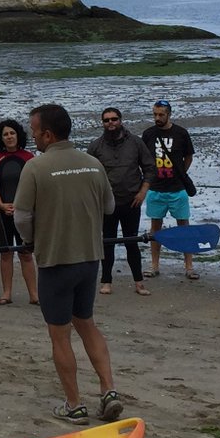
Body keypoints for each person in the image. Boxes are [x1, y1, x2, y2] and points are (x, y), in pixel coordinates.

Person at [13, 103, 123, 425]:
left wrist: (31, 240)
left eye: (34, 131)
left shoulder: (34, 167)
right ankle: (109, 390)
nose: (33, 136)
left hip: (56, 262)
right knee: (86, 323)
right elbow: (109, 206)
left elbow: (21, 217)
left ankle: (74, 404)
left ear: (48, 134)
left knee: (60, 334)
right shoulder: (93, 164)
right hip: (90, 259)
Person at [87, 106, 154, 297]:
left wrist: (143, 192)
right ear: (102, 123)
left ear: (120, 120)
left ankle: (139, 282)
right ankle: (106, 281)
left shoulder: (136, 142)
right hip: (107, 204)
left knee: (132, 242)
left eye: (114, 119)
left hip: (132, 201)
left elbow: (149, 168)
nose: (111, 123)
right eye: (106, 120)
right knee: (107, 242)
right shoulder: (96, 146)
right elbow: (88, 174)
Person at [140, 99, 197, 279]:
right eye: (155, 114)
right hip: (156, 188)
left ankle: (189, 266)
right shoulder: (148, 134)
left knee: (184, 226)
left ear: (169, 114)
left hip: (177, 188)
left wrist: (181, 173)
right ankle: (154, 265)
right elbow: (143, 158)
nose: (157, 118)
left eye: (161, 114)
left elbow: (189, 156)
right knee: (155, 228)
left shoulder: (181, 133)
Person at [0, 118, 39, 306]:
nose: (9, 137)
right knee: (6, 253)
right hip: (3, 212)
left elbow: (34, 185)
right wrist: (1, 204)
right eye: (5, 134)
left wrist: (21, 205)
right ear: (1, 138)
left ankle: (34, 295)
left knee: (26, 253)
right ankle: (6, 293)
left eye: (12, 133)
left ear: (18, 135)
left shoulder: (28, 157)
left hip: (23, 211)